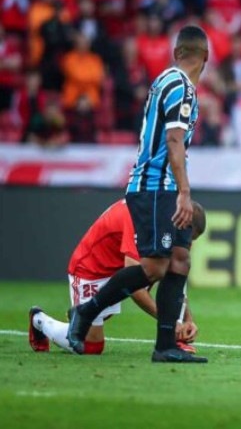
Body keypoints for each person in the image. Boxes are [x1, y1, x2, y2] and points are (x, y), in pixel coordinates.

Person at [66, 25, 210, 363]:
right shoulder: (181, 86)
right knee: (155, 267)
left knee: (179, 259)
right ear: (205, 58)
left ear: (177, 52)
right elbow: (174, 140)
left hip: (163, 185)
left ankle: (165, 346)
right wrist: (184, 192)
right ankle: (87, 310)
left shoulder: (164, 80)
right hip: (157, 186)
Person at [28, 199, 206, 355]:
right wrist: (170, 322)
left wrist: (186, 320)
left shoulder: (163, 215)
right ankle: (39, 320)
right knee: (90, 346)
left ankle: (175, 339)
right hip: (91, 269)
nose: (188, 245)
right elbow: (135, 288)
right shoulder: (141, 216)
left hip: (118, 269)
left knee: (166, 264)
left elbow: (175, 278)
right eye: (189, 239)